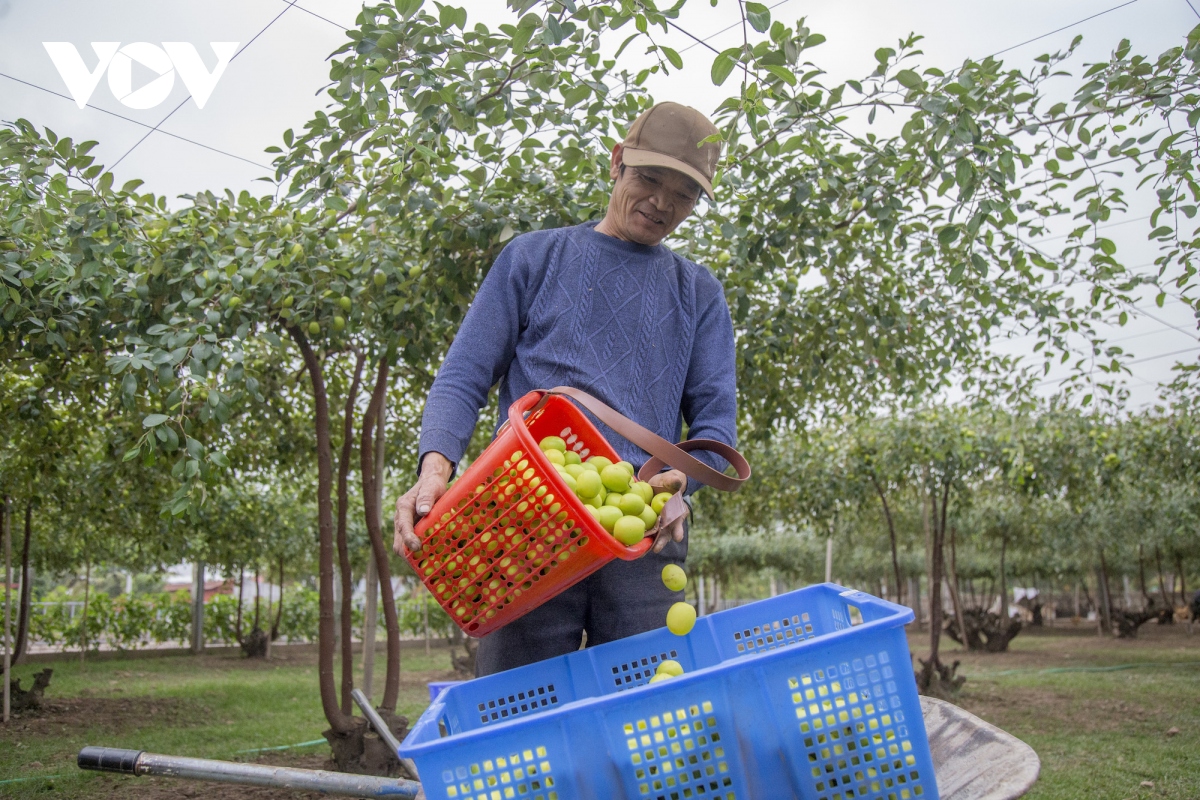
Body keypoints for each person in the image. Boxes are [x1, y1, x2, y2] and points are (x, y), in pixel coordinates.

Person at [393, 101, 738, 676]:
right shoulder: (534, 258)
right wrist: (434, 472)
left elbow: (713, 428)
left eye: (683, 193)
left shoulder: (699, 295)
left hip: (640, 529)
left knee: (646, 717)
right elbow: (463, 377)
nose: (661, 202)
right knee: (518, 711)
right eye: (649, 179)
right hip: (528, 520)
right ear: (616, 164)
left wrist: (683, 483)